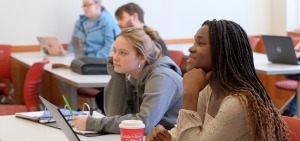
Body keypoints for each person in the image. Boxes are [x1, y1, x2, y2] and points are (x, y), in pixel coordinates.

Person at [146, 19, 289, 141]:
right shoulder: (209, 90)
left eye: (200, 43)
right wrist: (166, 136)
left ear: (222, 53)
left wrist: (189, 94)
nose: (191, 48)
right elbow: (184, 132)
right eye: (194, 42)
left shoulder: (237, 103)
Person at [71, 27, 183, 134]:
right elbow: (113, 114)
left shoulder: (162, 77)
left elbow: (143, 124)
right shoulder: (131, 74)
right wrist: (117, 75)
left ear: (142, 58)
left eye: (123, 53)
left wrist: (94, 124)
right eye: (115, 51)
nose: (115, 57)